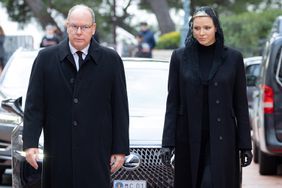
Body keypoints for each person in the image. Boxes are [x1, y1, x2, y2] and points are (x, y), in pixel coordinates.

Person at [23, 4, 129, 188]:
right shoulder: (45, 59)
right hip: (58, 149)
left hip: (96, 150)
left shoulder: (111, 60)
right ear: (67, 26)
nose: (79, 32)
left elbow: (120, 107)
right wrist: (30, 142)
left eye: (85, 27)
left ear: (93, 28)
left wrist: (120, 148)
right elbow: (34, 105)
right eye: (74, 26)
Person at [160, 6, 252, 188]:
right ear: (191, 29)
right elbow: (172, 102)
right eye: (196, 28)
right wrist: (167, 142)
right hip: (188, 136)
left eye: (207, 28)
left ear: (216, 27)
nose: (201, 33)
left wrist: (245, 145)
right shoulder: (179, 57)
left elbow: (241, 104)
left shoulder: (234, 58)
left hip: (223, 138)